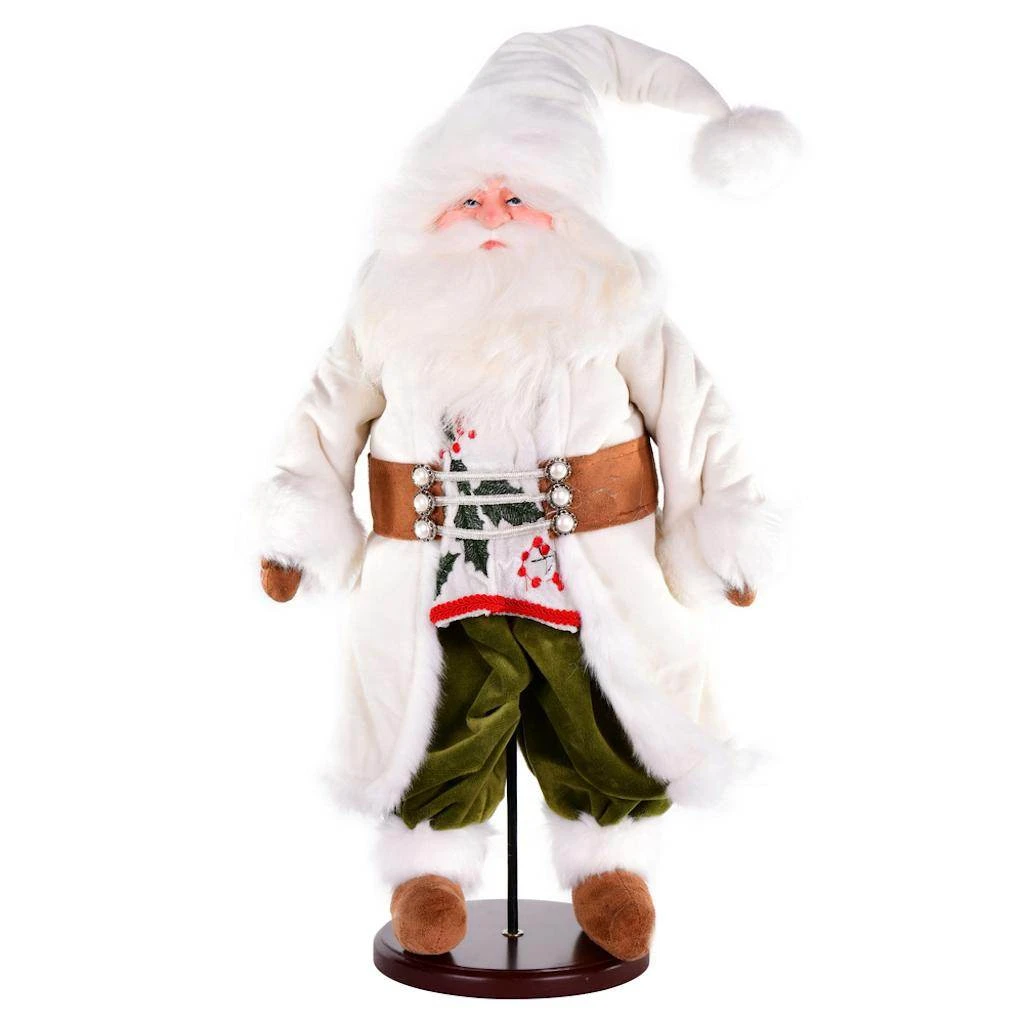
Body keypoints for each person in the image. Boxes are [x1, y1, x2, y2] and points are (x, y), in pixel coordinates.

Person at [257, 26, 795, 960]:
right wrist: (296, 526)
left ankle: (610, 868)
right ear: (430, 204)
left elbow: (693, 413)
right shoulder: (387, 303)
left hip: (587, 571)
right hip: (439, 574)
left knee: (600, 714)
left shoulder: (615, 298)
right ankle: (430, 871)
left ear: (569, 207)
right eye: (469, 196)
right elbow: (325, 412)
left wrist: (723, 531)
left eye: (520, 197)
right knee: (439, 719)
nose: (493, 215)